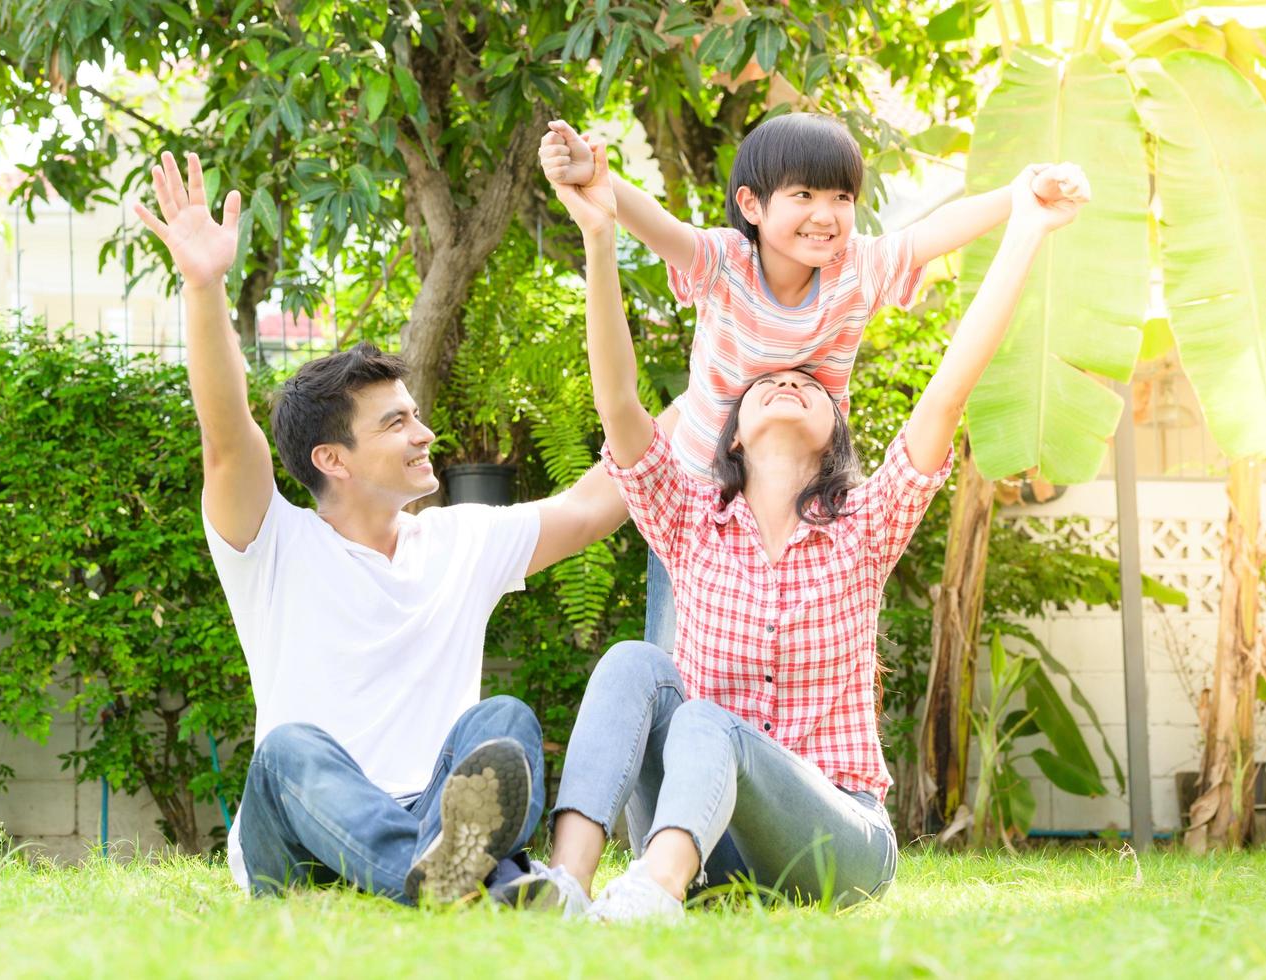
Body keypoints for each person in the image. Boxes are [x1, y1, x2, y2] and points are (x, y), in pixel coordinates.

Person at [542, 137, 1087, 920]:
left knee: (705, 719)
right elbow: (618, 402)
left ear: (837, 432)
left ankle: (652, 892)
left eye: (808, 380)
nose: (789, 377)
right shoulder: (689, 524)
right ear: (728, 434)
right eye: (767, 383)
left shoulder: (864, 528)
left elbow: (949, 385)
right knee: (637, 661)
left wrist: (1025, 224)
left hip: (835, 842)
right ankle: (566, 885)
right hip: (708, 840)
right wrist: (599, 235)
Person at [133, 150, 627, 908]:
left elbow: (601, 498)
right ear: (333, 458)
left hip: (431, 811)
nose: (424, 433)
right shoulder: (272, 544)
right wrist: (203, 286)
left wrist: (728, 382)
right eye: (398, 422)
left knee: (503, 719)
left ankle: (449, 876)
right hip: (297, 837)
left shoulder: (461, 542)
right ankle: (450, 880)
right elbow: (225, 434)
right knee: (288, 750)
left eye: (415, 414)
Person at [539, 115, 1086, 649]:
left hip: (801, 491)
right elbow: (662, 228)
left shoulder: (856, 268)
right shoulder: (727, 262)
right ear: (752, 205)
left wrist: (1017, 197)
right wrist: (599, 180)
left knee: (794, 639)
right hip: (701, 495)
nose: (826, 215)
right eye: (803, 195)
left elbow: (930, 235)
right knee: (676, 652)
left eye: (841, 198)